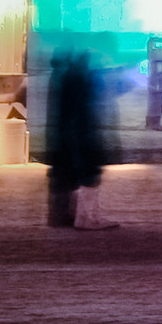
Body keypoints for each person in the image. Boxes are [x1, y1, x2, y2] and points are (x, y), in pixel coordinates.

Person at [45, 49, 118, 229]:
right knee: (89, 170)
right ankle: (86, 218)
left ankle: (60, 217)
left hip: (65, 132)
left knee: (65, 171)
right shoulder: (78, 76)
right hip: (80, 131)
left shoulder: (61, 74)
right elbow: (84, 109)